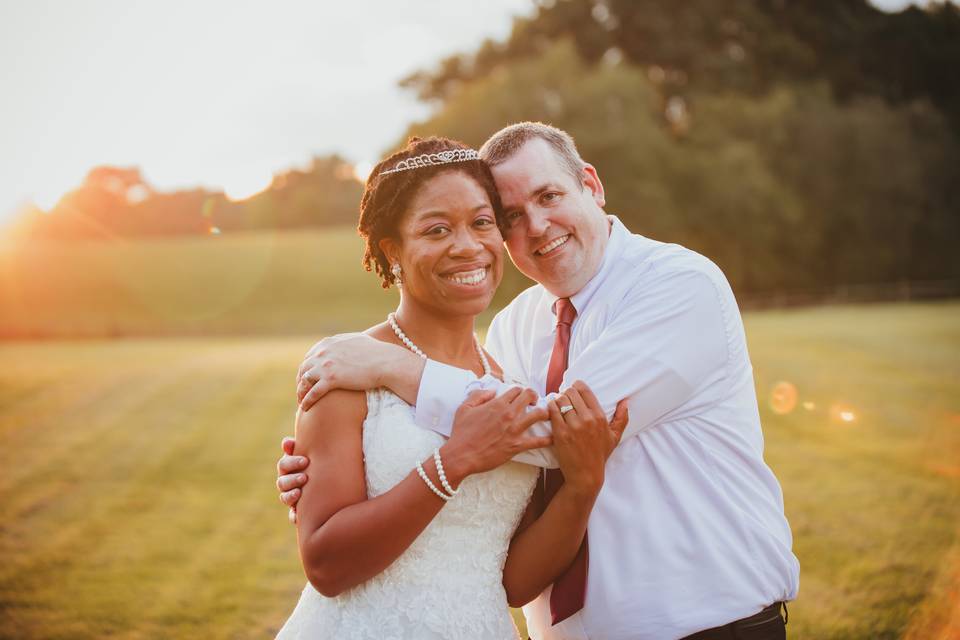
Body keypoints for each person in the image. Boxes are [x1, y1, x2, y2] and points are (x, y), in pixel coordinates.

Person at [278, 122, 800, 639]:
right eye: (510, 217)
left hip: (705, 624)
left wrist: (392, 367)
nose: (538, 225)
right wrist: (326, 467)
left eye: (549, 196)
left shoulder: (678, 285)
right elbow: (492, 439)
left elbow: (550, 436)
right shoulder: (514, 327)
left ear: (590, 185)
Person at [274, 135, 629, 640]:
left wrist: (582, 487)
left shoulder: (508, 380)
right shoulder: (346, 371)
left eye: (483, 223)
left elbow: (511, 582)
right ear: (390, 250)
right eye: (437, 229)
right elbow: (327, 566)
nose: (468, 246)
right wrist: (455, 460)